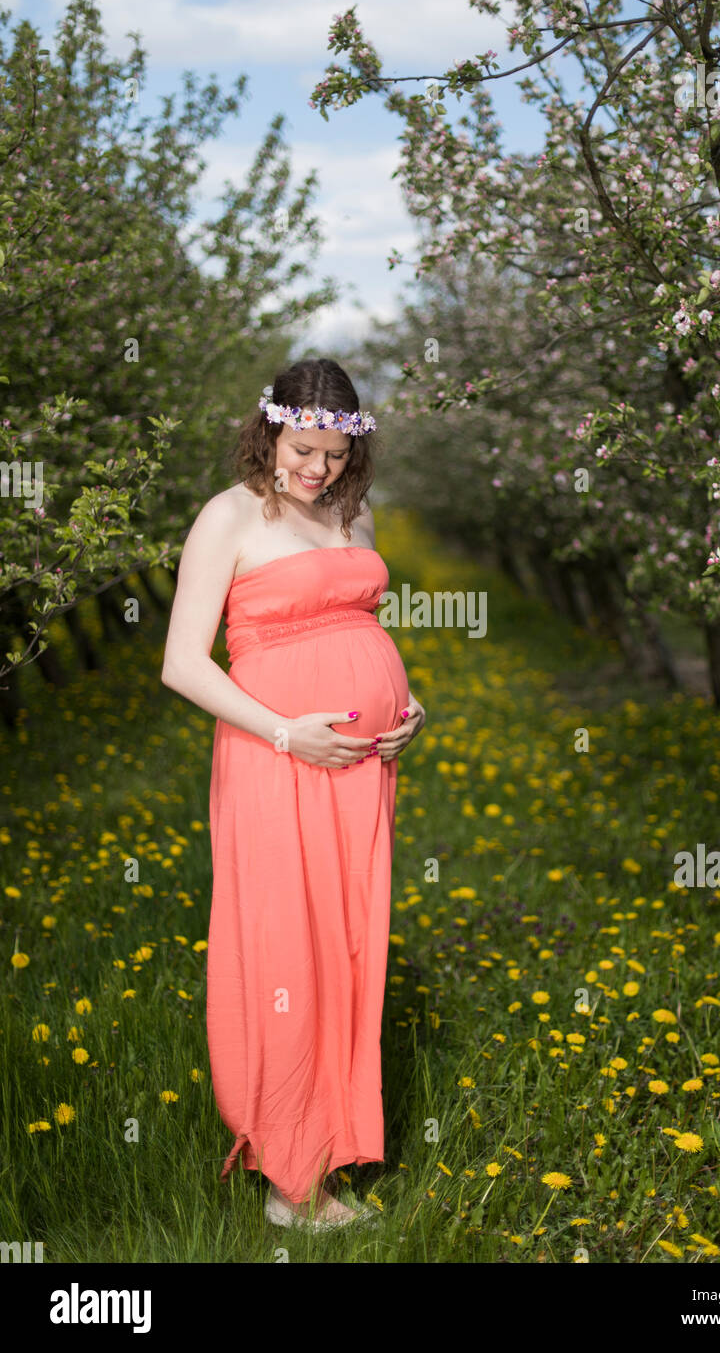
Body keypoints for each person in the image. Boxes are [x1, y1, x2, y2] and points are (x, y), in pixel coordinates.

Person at [161, 357, 425, 1230]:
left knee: (348, 946)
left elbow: (359, 625)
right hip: (278, 760)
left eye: (336, 456)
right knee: (288, 952)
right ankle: (290, 1179)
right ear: (269, 432)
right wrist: (285, 732)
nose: (317, 471)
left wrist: (404, 700)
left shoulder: (355, 515)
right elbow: (182, 663)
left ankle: (333, 1145)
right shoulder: (230, 518)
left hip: (360, 769)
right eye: (302, 450)